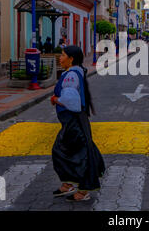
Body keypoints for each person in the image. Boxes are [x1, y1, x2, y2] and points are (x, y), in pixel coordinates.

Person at [50, 46, 105, 202]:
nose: (60, 58)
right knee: (66, 151)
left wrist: (55, 100)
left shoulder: (71, 76)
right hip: (74, 121)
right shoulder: (75, 72)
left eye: (62, 55)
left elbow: (71, 101)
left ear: (71, 59)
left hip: (73, 121)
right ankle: (68, 184)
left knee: (76, 154)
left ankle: (83, 191)